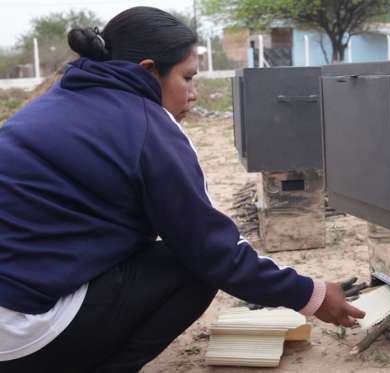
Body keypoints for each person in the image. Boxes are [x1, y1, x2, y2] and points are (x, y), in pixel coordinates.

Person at [0, 6, 364, 372]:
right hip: (24, 335)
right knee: (188, 267)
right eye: (187, 78)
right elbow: (213, 251)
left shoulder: (51, 102)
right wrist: (312, 296)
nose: (194, 94)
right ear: (147, 70)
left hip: (17, 301)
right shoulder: (147, 126)